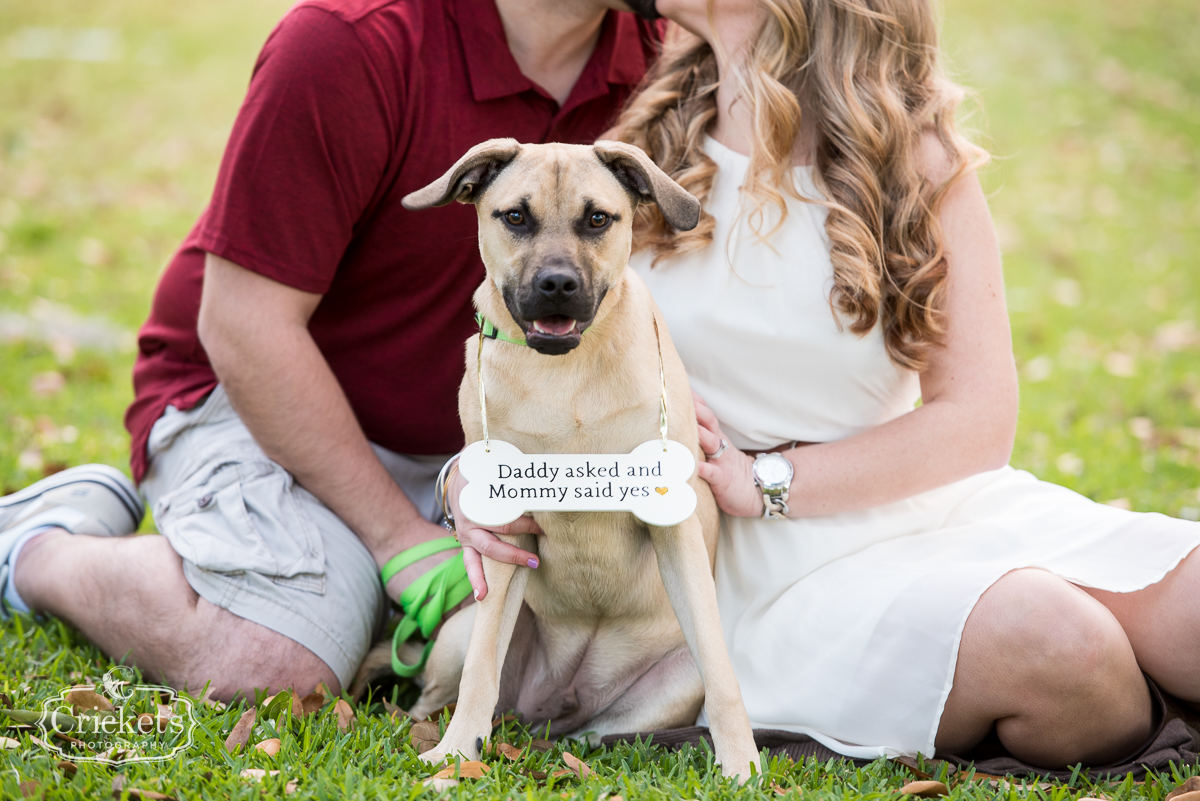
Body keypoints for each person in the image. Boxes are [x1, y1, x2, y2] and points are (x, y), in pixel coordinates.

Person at [447, 0, 1200, 770]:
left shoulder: (915, 157)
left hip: (909, 499)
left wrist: (769, 477)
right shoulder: (637, 141)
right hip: (745, 563)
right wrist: (464, 475)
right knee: (1069, 650)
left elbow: (977, 417)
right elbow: (513, 342)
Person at [0, 0, 656, 700]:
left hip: (480, 437)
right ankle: (39, 548)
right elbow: (244, 326)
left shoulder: (670, 48)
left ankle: (355, 579)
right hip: (257, 403)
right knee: (277, 663)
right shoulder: (349, 45)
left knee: (568, 658)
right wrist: (398, 538)